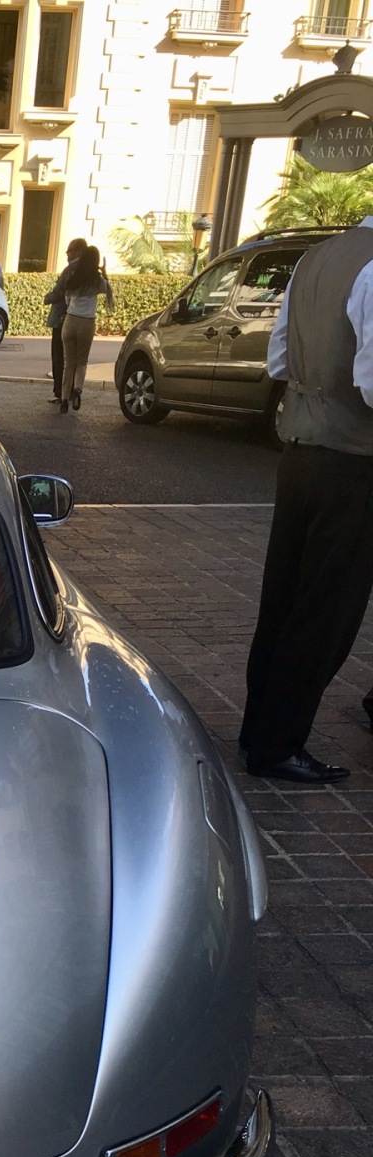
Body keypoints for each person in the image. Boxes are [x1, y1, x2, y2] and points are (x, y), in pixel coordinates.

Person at [238, 216, 373, 784]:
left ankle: (259, 731)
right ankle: (277, 743)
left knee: (285, 597)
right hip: (354, 460)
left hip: (300, 451)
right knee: (327, 612)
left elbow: (279, 362)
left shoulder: (314, 257)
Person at [59, 245, 113, 413]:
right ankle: (77, 390)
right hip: (87, 322)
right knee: (82, 361)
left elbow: (67, 299)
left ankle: (64, 399)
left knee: (69, 363)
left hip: (70, 321)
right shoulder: (97, 280)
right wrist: (104, 273)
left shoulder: (74, 277)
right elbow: (107, 290)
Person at [44, 237, 87, 405]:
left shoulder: (70, 270)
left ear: (78, 252)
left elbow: (60, 291)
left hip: (62, 318)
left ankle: (60, 392)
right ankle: (70, 391)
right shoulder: (87, 271)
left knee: (59, 357)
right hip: (80, 319)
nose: (67, 254)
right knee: (74, 359)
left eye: (70, 251)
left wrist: (47, 298)